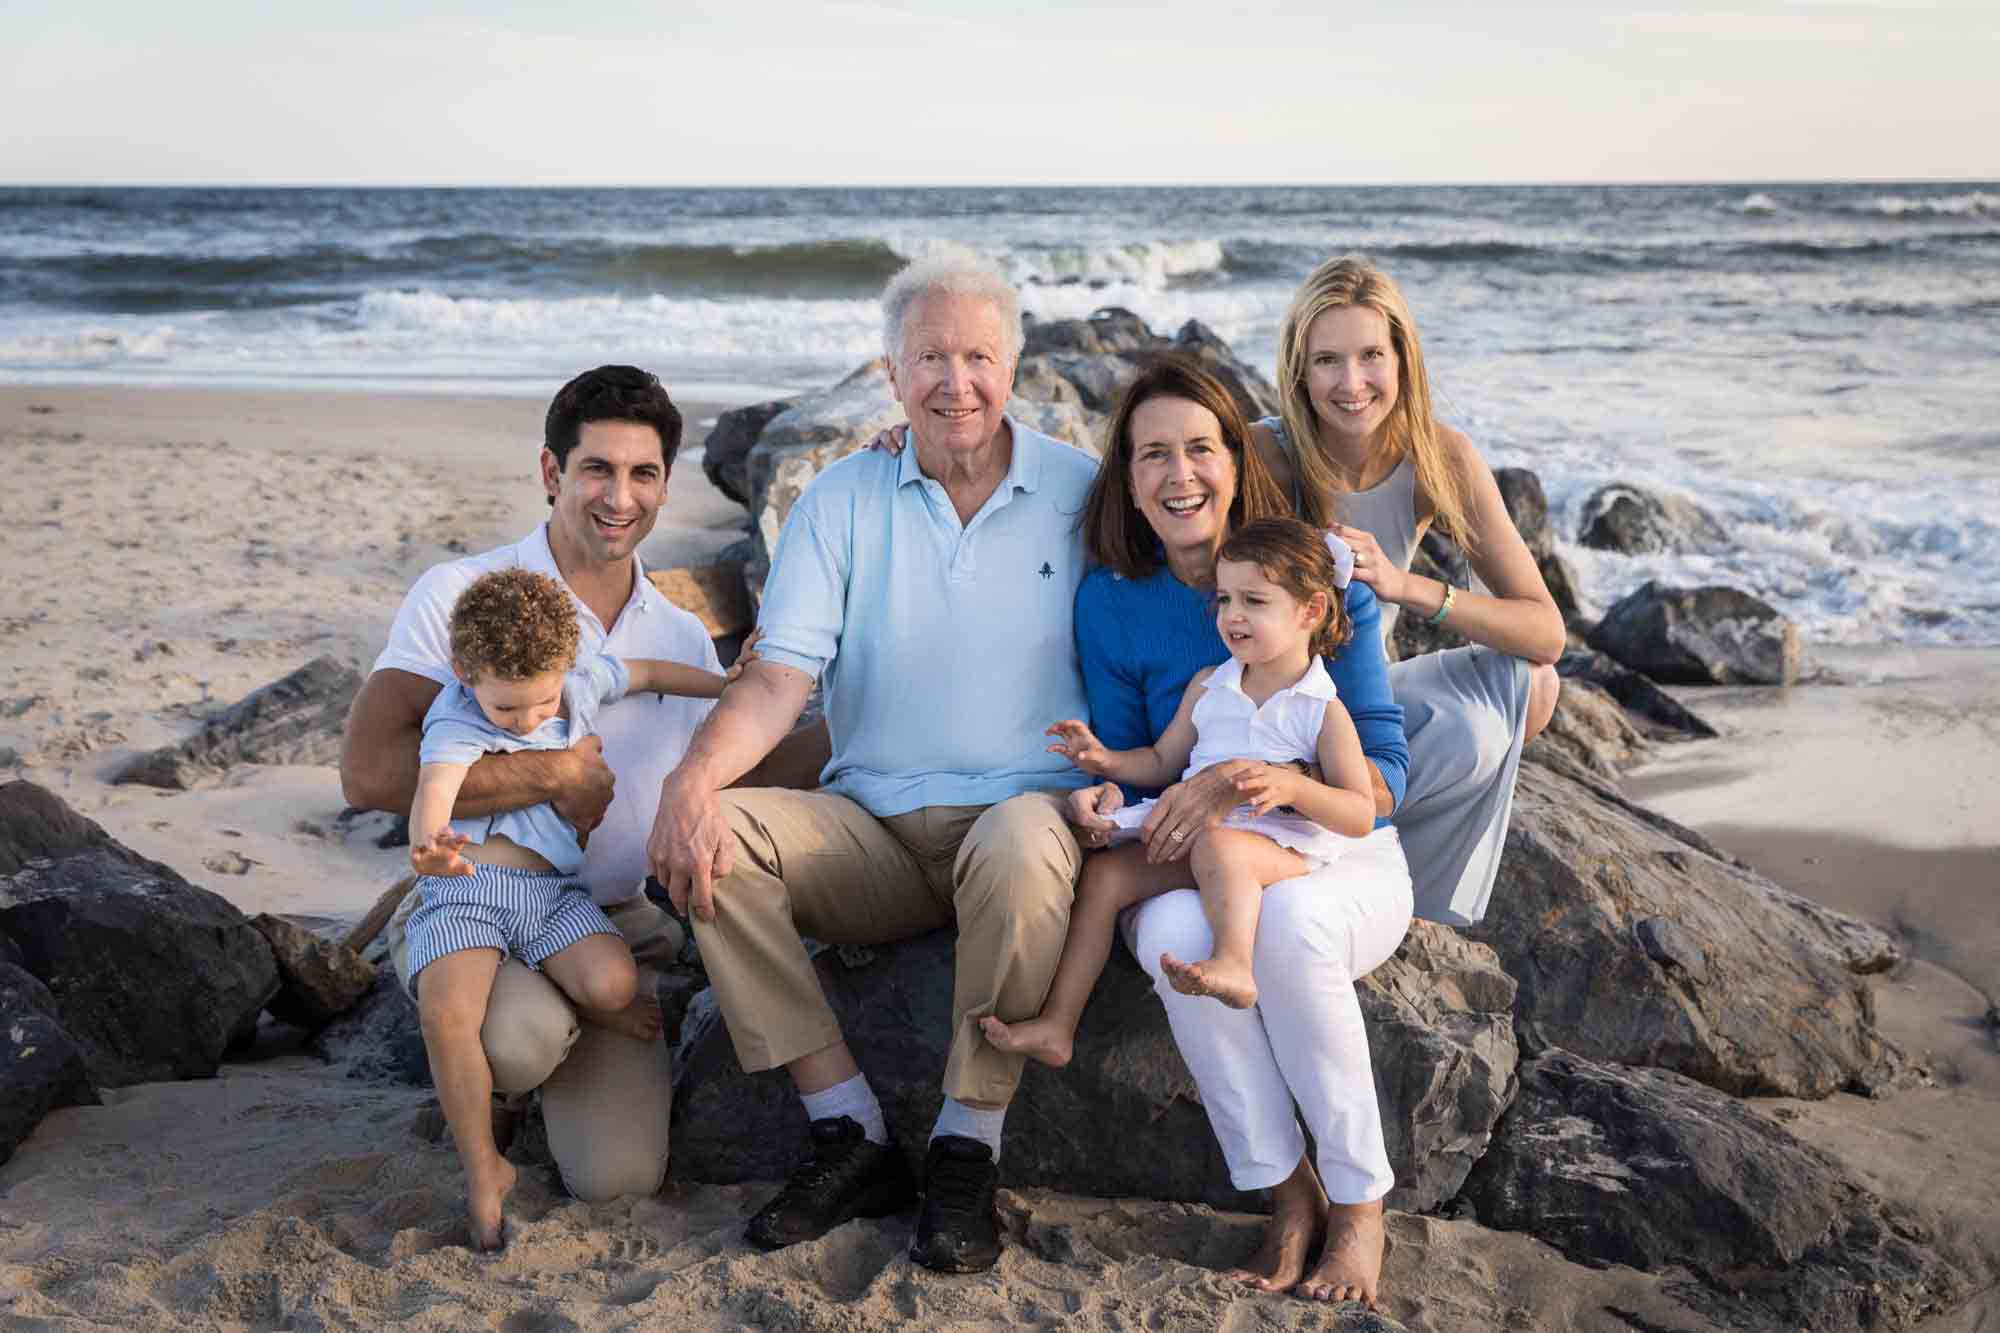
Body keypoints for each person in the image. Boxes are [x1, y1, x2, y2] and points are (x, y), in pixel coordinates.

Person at [645, 248, 1100, 1275]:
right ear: (889, 373)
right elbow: (776, 680)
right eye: (929, 357)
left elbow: (1193, 541)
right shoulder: (841, 499)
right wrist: (692, 782)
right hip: (873, 836)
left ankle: (963, 1149)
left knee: (1026, 841)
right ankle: (847, 1129)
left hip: (1019, 824)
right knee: (719, 838)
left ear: (1014, 363)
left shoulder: (1081, 493)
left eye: (977, 356)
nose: (955, 382)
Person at [343, 365, 813, 1219]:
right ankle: (500, 1088)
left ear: (666, 483)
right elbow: (371, 772)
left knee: (618, 1177)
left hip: (604, 920)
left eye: (643, 474)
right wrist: (554, 773)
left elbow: (743, 764)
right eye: (597, 468)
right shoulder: (465, 599)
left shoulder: (678, 635)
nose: (619, 496)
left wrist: (866, 740)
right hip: (472, 891)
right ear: (553, 472)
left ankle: (564, 1033)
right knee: (521, 1040)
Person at [1048, 358, 1415, 1307]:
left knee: (1289, 931)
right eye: (1153, 454)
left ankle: (1361, 1202)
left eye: (1202, 449)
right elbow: (1146, 758)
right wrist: (1100, 797)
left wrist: (1254, 783)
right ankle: (1286, 1192)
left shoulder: (1313, 575)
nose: (1181, 475)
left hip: (1336, 847)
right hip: (1212, 851)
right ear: (1127, 478)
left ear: (1236, 458)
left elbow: (1385, 778)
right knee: (1172, 936)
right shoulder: (1111, 601)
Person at [401, 566, 724, 1249]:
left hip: (550, 895)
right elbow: (435, 786)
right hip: (468, 891)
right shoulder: (457, 714)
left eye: (539, 704)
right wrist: (429, 846)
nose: (526, 722)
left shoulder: (575, 683)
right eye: (507, 710)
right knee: (448, 1013)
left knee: (615, 981)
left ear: (566, 667)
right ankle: (484, 1163)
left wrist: (727, 684)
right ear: (465, 671)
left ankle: (564, 1031)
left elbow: (644, 671)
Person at [983, 518, 1376, 1073]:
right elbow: (1164, 762)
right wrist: (1104, 760)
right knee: (1104, 876)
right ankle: (1058, 1024)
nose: (1232, 616)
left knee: (1222, 847)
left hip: (1276, 845)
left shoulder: (1321, 709)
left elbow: (1360, 813)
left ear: (1310, 611)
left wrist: (1292, 784)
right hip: (1198, 834)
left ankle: (1234, 963)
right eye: (1223, 599)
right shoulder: (1209, 685)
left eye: (1254, 601)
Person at [1241, 254, 1565, 926]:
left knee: (1530, 685)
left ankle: (1405, 891)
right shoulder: (1265, 455)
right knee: (1496, 709)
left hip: (1364, 702)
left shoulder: (1440, 456)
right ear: (1298, 368)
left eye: (1370, 355)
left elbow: (1545, 630)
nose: (1351, 382)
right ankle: (1329, 844)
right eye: (1327, 360)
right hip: (1275, 712)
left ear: (1402, 360)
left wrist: (1405, 585)